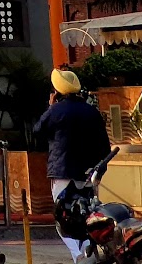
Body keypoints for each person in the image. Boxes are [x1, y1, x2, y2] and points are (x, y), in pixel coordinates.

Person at [34, 68, 110, 261]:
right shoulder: (91, 111)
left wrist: (50, 107)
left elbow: (37, 132)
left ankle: (80, 256)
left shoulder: (56, 110)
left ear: (57, 91)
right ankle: (90, 252)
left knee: (65, 219)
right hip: (88, 174)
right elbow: (104, 145)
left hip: (63, 172)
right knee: (88, 216)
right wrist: (100, 171)